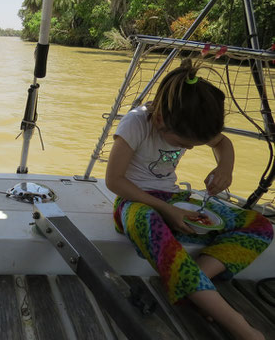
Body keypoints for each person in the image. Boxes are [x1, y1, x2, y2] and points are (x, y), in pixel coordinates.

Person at [105, 58, 273, 340]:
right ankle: (237, 324)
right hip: (135, 202)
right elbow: (114, 181)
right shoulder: (136, 123)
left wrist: (225, 167)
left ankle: (197, 284)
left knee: (259, 226)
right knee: (147, 221)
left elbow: (222, 143)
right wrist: (166, 211)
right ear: (159, 119)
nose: (188, 148)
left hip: (175, 198)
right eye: (184, 145)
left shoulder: (185, 118)